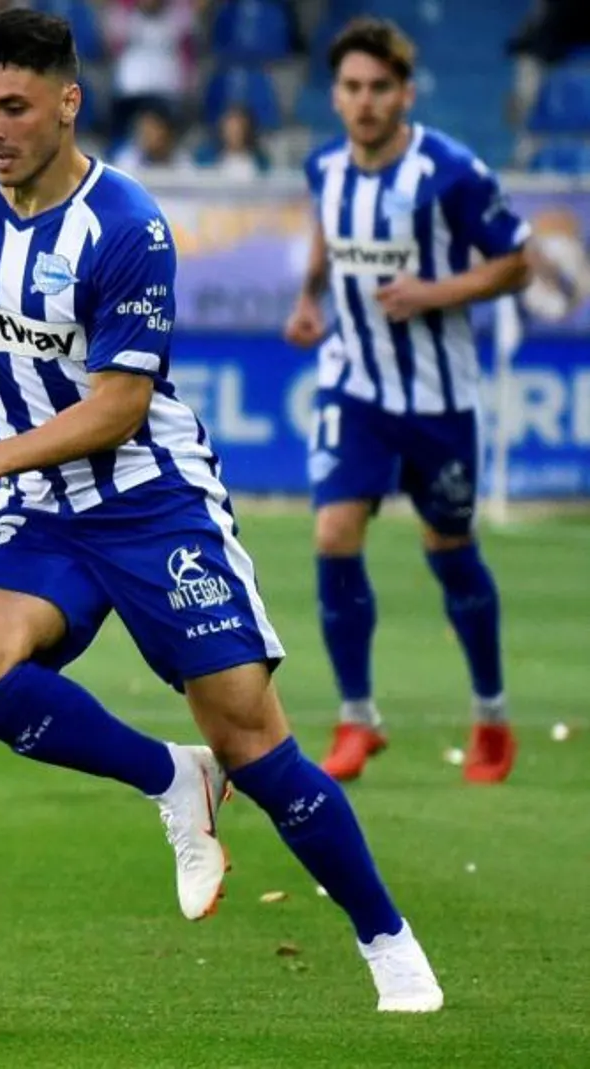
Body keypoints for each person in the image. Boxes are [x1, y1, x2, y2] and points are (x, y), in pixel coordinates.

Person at [0, 8, 443, 1014]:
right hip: (43, 509)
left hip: (151, 503)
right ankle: (167, 779)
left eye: (12, 106)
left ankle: (387, 941)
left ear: (66, 101)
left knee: (252, 742)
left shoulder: (125, 225)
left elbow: (118, 405)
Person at [283, 18, 531, 785]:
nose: (364, 102)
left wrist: (436, 291)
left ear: (405, 93)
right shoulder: (325, 165)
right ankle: (357, 716)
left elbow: (518, 263)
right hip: (352, 384)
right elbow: (327, 232)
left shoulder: (449, 172)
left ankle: (491, 712)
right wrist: (309, 297)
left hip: (437, 396)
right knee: (332, 533)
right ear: (336, 95)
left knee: (450, 551)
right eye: (352, 88)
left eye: (379, 88)